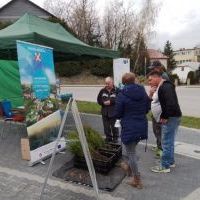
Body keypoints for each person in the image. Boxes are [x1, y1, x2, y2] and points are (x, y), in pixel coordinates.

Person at [114, 72, 150, 189]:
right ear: (134, 80)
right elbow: (147, 108)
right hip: (141, 126)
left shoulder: (122, 95)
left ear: (123, 83)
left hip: (129, 127)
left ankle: (137, 179)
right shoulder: (142, 91)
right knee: (132, 150)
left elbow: (118, 114)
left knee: (131, 154)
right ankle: (128, 168)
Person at [148, 71, 182, 173]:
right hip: (174, 116)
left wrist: (165, 116)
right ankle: (170, 161)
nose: (149, 82)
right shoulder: (164, 86)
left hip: (171, 117)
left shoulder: (165, 87)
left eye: (150, 79)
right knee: (169, 141)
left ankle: (164, 166)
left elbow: (170, 103)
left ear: (156, 77)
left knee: (166, 142)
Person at [148, 60, 170, 158]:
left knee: (159, 130)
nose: (152, 70)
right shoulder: (159, 75)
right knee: (156, 129)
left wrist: (155, 91)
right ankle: (158, 146)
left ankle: (161, 149)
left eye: (153, 68)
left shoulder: (164, 76)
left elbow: (166, 92)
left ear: (158, 68)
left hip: (160, 109)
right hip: (156, 107)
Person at [97, 77, 119, 143]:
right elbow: (98, 100)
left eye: (108, 83)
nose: (106, 85)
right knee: (106, 127)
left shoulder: (117, 90)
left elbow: (120, 99)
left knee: (114, 126)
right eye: (106, 83)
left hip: (114, 112)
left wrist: (111, 102)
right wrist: (103, 103)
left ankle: (115, 138)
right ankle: (108, 137)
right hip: (105, 112)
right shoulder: (102, 90)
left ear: (112, 82)